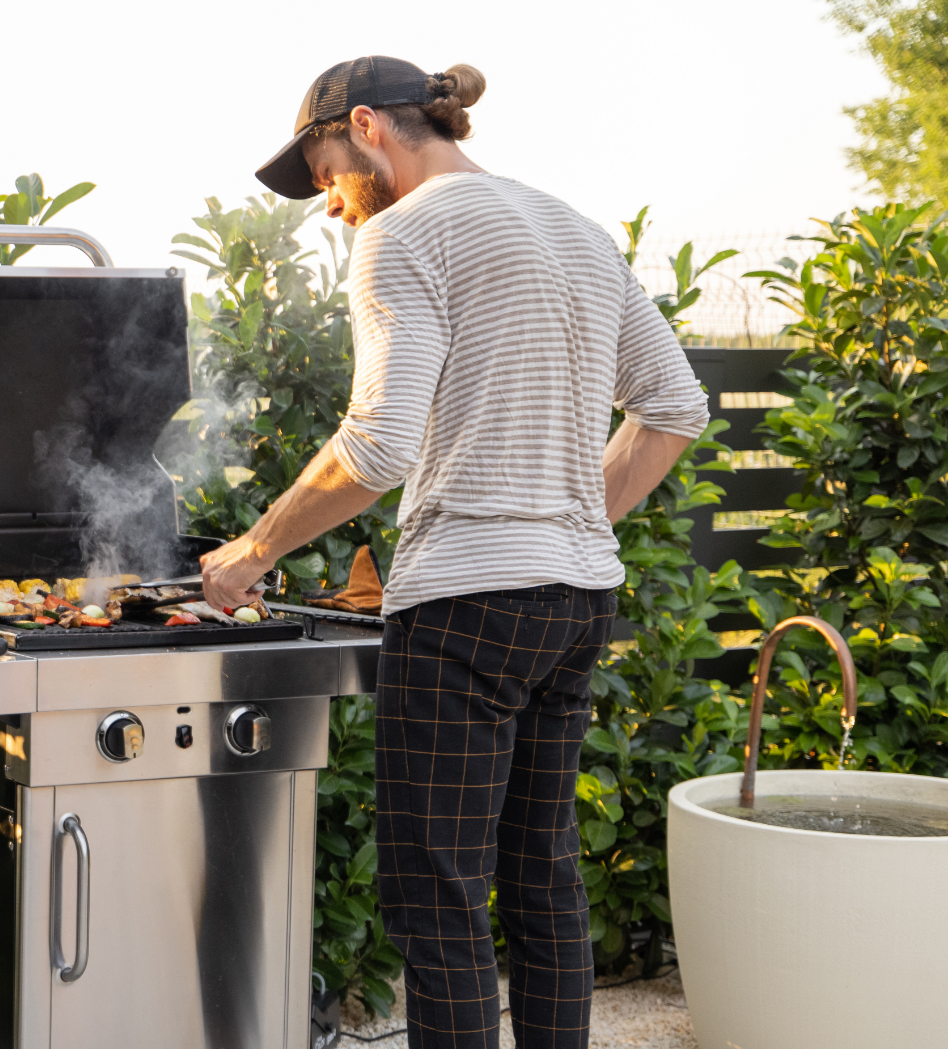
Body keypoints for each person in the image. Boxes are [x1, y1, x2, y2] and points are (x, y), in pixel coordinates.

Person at [200, 56, 707, 1049]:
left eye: (326, 178)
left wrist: (253, 549)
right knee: (543, 878)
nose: (335, 209)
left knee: (437, 898)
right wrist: (572, 519)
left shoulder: (402, 233)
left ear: (365, 129)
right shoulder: (573, 228)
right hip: (574, 601)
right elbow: (676, 406)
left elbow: (377, 446)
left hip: (468, 606)